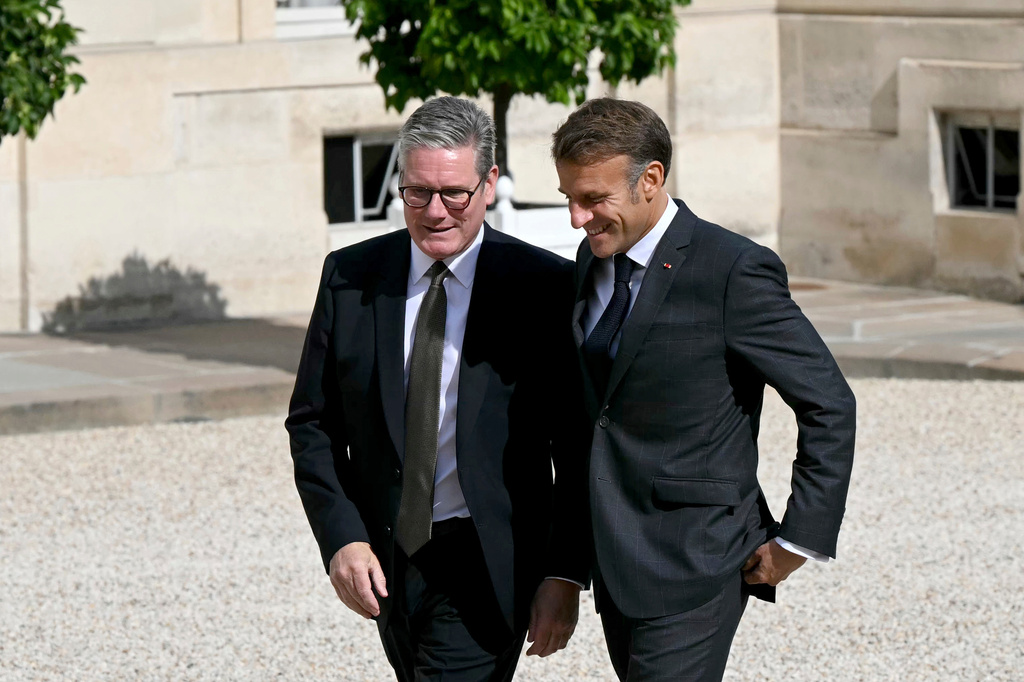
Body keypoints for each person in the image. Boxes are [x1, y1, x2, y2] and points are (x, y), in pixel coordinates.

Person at [551, 98, 857, 681]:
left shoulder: (733, 270)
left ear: (651, 179)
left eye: (593, 199)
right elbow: (591, 419)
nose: (576, 217)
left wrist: (800, 538)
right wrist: (565, 566)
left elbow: (829, 402)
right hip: (615, 560)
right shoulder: (590, 263)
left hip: (697, 559)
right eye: (569, 196)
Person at [286, 96, 590, 682]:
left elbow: (575, 446)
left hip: (489, 561)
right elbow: (313, 423)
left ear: (490, 183)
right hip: (388, 559)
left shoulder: (542, 288)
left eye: (455, 193)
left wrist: (564, 573)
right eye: (417, 192)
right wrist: (341, 538)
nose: (435, 211)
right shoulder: (349, 277)